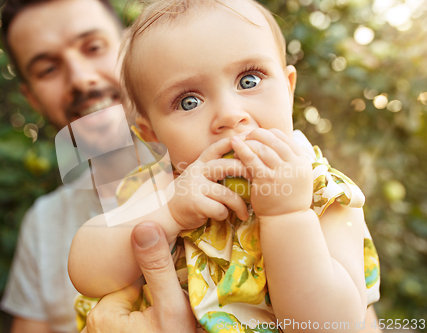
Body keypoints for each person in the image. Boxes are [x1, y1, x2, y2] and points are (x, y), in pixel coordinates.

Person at [68, 0, 382, 332]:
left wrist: (287, 216)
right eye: (189, 101)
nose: (230, 114)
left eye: (249, 80)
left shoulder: (321, 191)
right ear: (151, 135)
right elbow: (86, 272)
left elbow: (334, 326)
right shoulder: (165, 187)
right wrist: (170, 214)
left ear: (288, 89)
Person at [0, 0, 194, 332]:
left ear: (132, 46)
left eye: (93, 47)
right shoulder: (43, 223)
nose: (80, 79)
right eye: (48, 69)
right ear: (32, 98)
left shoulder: (230, 172)